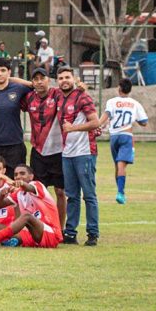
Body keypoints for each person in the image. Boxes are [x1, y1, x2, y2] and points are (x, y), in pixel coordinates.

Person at [57, 66, 101, 246]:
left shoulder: (83, 97)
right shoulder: (59, 97)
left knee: (89, 195)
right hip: (67, 153)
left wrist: (72, 128)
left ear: (74, 78)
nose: (64, 80)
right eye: (60, 78)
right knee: (72, 195)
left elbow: (95, 122)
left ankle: (92, 234)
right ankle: (70, 233)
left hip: (84, 152)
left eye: (67, 77)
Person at [21, 67, 67, 227]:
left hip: (58, 151)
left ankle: (60, 228)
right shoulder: (28, 97)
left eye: (43, 78)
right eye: (36, 79)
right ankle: (43, 225)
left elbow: (73, 90)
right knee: (39, 191)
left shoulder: (57, 94)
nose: (39, 82)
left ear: (49, 79)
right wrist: (29, 84)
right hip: (38, 152)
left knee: (60, 192)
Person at [98, 78, 149, 204]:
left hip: (114, 136)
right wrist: (135, 119)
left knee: (117, 165)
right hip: (126, 136)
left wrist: (97, 125)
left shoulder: (112, 102)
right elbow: (144, 122)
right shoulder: (135, 104)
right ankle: (120, 192)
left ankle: (120, 192)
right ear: (130, 89)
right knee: (122, 165)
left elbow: (106, 116)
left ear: (119, 88)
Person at [0, 164, 63, 248]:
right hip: (32, 234)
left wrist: (20, 183)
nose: (18, 176)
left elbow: (28, 187)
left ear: (31, 176)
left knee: (27, 216)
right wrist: (1, 194)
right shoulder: (19, 192)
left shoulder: (37, 185)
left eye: (22, 173)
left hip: (51, 234)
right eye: (16, 174)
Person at [0, 58, 32, 176]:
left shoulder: (18, 88)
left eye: (3, 70)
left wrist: (12, 79)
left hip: (15, 145)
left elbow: (33, 85)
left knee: (16, 184)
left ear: (9, 72)